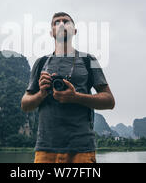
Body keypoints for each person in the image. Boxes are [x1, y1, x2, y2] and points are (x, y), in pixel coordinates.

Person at [21, 12, 115, 163]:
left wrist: (76, 97)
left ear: (75, 31)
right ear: (51, 32)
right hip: (46, 149)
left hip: (81, 148)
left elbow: (109, 101)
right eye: (56, 22)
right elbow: (25, 104)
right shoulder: (41, 62)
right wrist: (41, 94)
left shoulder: (89, 60)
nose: (61, 24)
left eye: (66, 21)